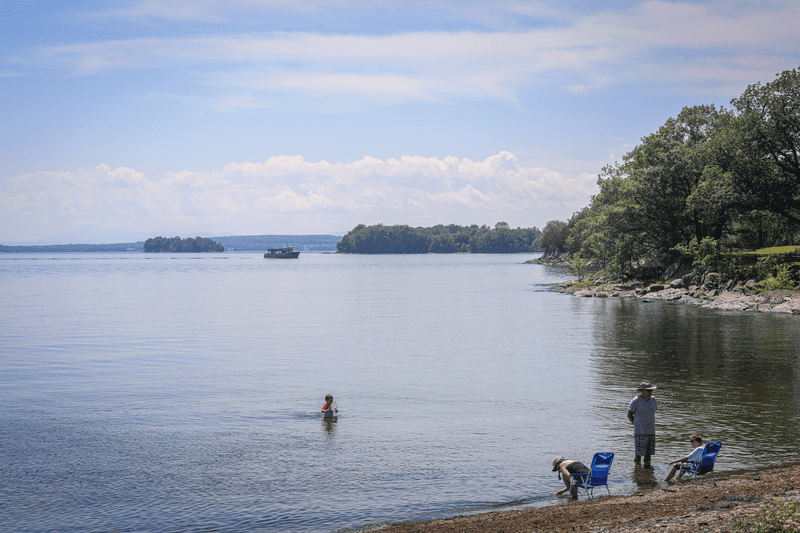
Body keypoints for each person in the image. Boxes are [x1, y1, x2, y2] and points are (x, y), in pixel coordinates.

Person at [627, 381, 657, 468]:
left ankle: (647, 469)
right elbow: (629, 414)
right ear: (643, 391)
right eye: (649, 391)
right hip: (640, 431)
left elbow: (652, 413)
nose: (651, 392)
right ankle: (637, 469)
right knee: (639, 453)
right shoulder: (636, 400)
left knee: (648, 453)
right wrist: (635, 424)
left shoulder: (653, 400)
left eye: (651, 391)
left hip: (651, 430)